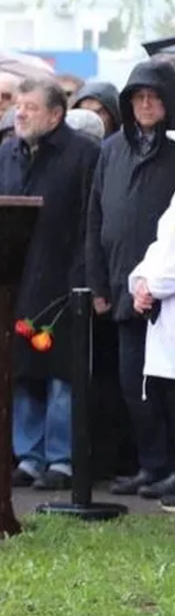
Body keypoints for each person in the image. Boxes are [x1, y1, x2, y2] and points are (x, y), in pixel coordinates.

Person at [0, 79, 100, 490]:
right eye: (19, 105)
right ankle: (29, 456)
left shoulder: (84, 155)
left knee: (61, 375)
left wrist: (86, 279)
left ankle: (62, 459)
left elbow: (92, 220)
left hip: (65, 279)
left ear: (56, 114)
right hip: (18, 280)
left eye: (30, 107)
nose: (19, 112)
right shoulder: (5, 156)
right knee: (24, 373)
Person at [86, 59, 175, 499]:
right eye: (138, 97)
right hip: (124, 284)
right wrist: (98, 284)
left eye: (154, 97)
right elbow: (95, 218)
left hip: (167, 289)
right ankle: (151, 464)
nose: (146, 104)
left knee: (165, 386)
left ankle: (168, 467)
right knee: (131, 383)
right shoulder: (111, 150)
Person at [129, 194, 175, 510]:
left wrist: (153, 285)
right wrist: (141, 282)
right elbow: (161, 247)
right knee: (167, 397)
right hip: (165, 316)